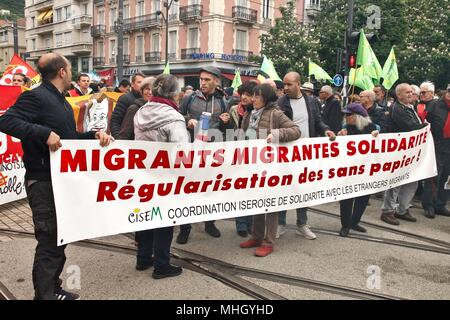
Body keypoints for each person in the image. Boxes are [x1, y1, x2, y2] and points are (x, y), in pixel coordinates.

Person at [0, 53, 112, 300]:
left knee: (61, 237)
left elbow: (66, 139)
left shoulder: (59, 100)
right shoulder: (36, 96)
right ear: (62, 72)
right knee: (50, 241)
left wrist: (93, 136)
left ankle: (52, 288)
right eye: (70, 69)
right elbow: (6, 121)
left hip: (61, 181)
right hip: (43, 181)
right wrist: (43, 133)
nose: (71, 73)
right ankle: (44, 296)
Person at [133, 74, 186, 279]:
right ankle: (162, 265)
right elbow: (181, 152)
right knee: (164, 220)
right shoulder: (174, 117)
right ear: (173, 94)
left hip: (144, 174)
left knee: (146, 216)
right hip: (166, 177)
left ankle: (143, 258)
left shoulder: (141, 112)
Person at [239, 83, 301, 257]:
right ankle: (257, 237)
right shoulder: (249, 114)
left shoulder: (276, 113)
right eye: (253, 96)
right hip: (253, 165)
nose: (253, 99)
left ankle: (269, 241)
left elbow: (296, 130)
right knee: (257, 202)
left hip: (271, 166)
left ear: (265, 98)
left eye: (257, 96)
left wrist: (276, 135)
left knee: (271, 205)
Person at [276, 72, 335, 240]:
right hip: (286, 153)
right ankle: (281, 223)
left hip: (306, 154)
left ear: (298, 84)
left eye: (289, 84)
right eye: (284, 84)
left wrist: (325, 130)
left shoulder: (311, 101)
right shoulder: (281, 102)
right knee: (284, 188)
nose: (285, 88)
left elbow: (317, 121)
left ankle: (302, 224)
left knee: (303, 189)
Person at [178, 66, 233, 244]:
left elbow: (228, 128)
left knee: (211, 189)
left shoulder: (224, 100)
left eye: (207, 80)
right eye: (201, 79)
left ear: (216, 81)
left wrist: (226, 121)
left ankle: (210, 223)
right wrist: (188, 121)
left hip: (213, 152)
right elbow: (177, 117)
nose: (203, 83)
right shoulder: (189, 98)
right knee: (187, 189)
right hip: (192, 151)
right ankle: (184, 228)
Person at [380, 83, 427, 225]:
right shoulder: (398, 108)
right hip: (400, 152)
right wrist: (425, 126)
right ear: (398, 94)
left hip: (411, 152)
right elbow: (412, 127)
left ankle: (402, 209)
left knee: (412, 181)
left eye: (412, 92)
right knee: (395, 182)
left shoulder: (409, 107)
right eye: (407, 92)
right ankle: (387, 211)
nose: (411, 94)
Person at [337, 103, 379, 236]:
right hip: (349, 170)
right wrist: (339, 138)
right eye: (345, 114)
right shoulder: (345, 128)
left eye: (349, 114)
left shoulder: (372, 128)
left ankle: (354, 222)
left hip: (366, 169)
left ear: (358, 116)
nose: (346, 117)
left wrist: (378, 136)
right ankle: (345, 225)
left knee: (363, 198)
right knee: (347, 198)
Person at [229, 80, 258, 237]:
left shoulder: (258, 112)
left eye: (248, 94)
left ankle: (250, 223)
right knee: (239, 189)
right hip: (237, 154)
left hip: (254, 156)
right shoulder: (234, 110)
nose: (244, 98)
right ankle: (241, 224)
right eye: (242, 94)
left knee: (252, 190)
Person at [422, 84, 450, 218]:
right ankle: (429, 205)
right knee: (433, 177)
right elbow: (424, 122)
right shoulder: (435, 105)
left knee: (447, 178)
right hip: (437, 147)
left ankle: (440, 204)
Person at [110, 72, 145, 138]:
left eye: (143, 83)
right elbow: (115, 121)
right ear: (132, 84)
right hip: (127, 141)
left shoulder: (147, 99)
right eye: (139, 82)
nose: (142, 85)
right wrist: (119, 139)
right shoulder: (125, 98)